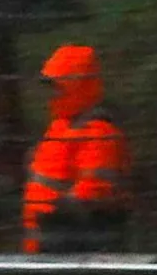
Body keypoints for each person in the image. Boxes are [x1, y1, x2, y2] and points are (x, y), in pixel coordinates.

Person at [21, 42, 129, 254]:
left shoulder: (99, 133)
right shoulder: (59, 127)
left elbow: (92, 194)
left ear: (77, 87)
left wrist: (54, 218)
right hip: (45, 248)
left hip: (74, 251)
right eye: (50, 88)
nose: (51, 95)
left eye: (57, 88)